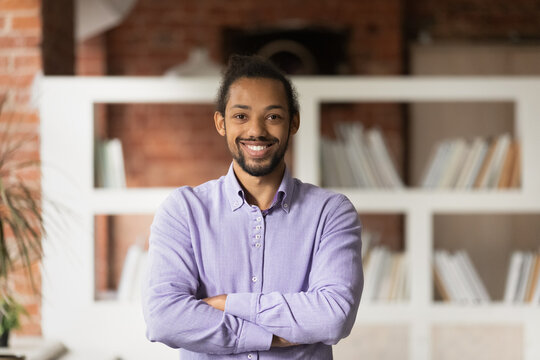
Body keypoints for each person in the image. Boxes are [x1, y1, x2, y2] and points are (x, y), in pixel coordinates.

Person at [142, 54, 363, 359]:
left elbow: (333, 317)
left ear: (293, 122)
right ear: (221, 123)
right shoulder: (183, 211)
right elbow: (164, 320)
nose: (256, 130)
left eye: (273, 116)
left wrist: (226, 304)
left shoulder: (331, 213)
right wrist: (267, 336)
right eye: (241, 116)